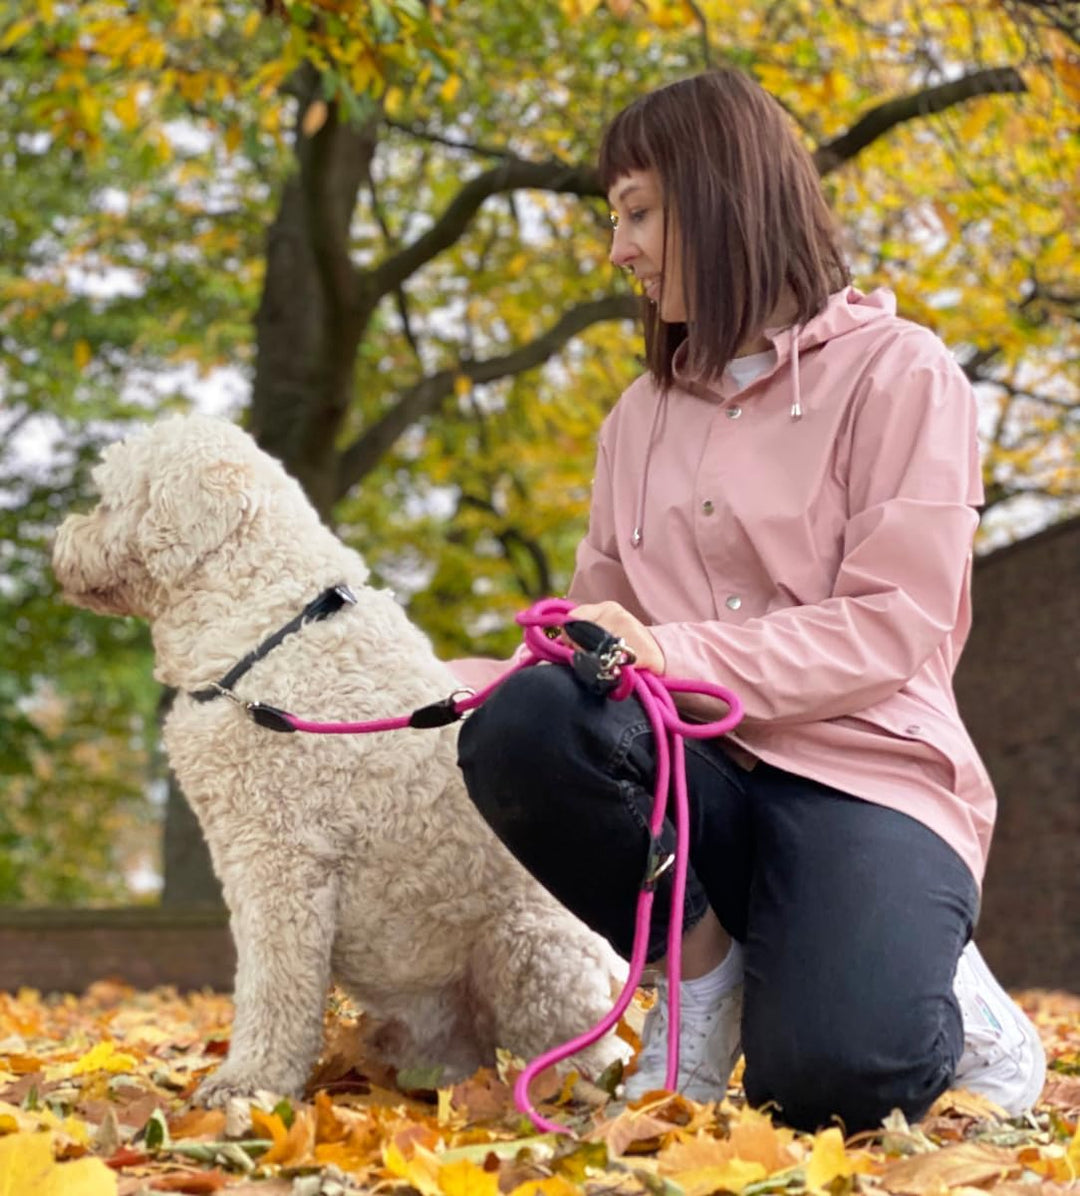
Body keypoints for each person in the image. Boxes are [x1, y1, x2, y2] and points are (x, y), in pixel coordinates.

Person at [448, 68, 1045, 1133]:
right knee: (525, 724)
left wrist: (672, 651)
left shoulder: (902, 374)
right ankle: (701, 975)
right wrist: (478, 682)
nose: (617, 248)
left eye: (636, 211)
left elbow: (895, 620)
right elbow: (602, 631)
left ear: (722, 193)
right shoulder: (637, 417)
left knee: (835, 1086)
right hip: (698, 778)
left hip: (865, 774)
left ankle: (956, 998)